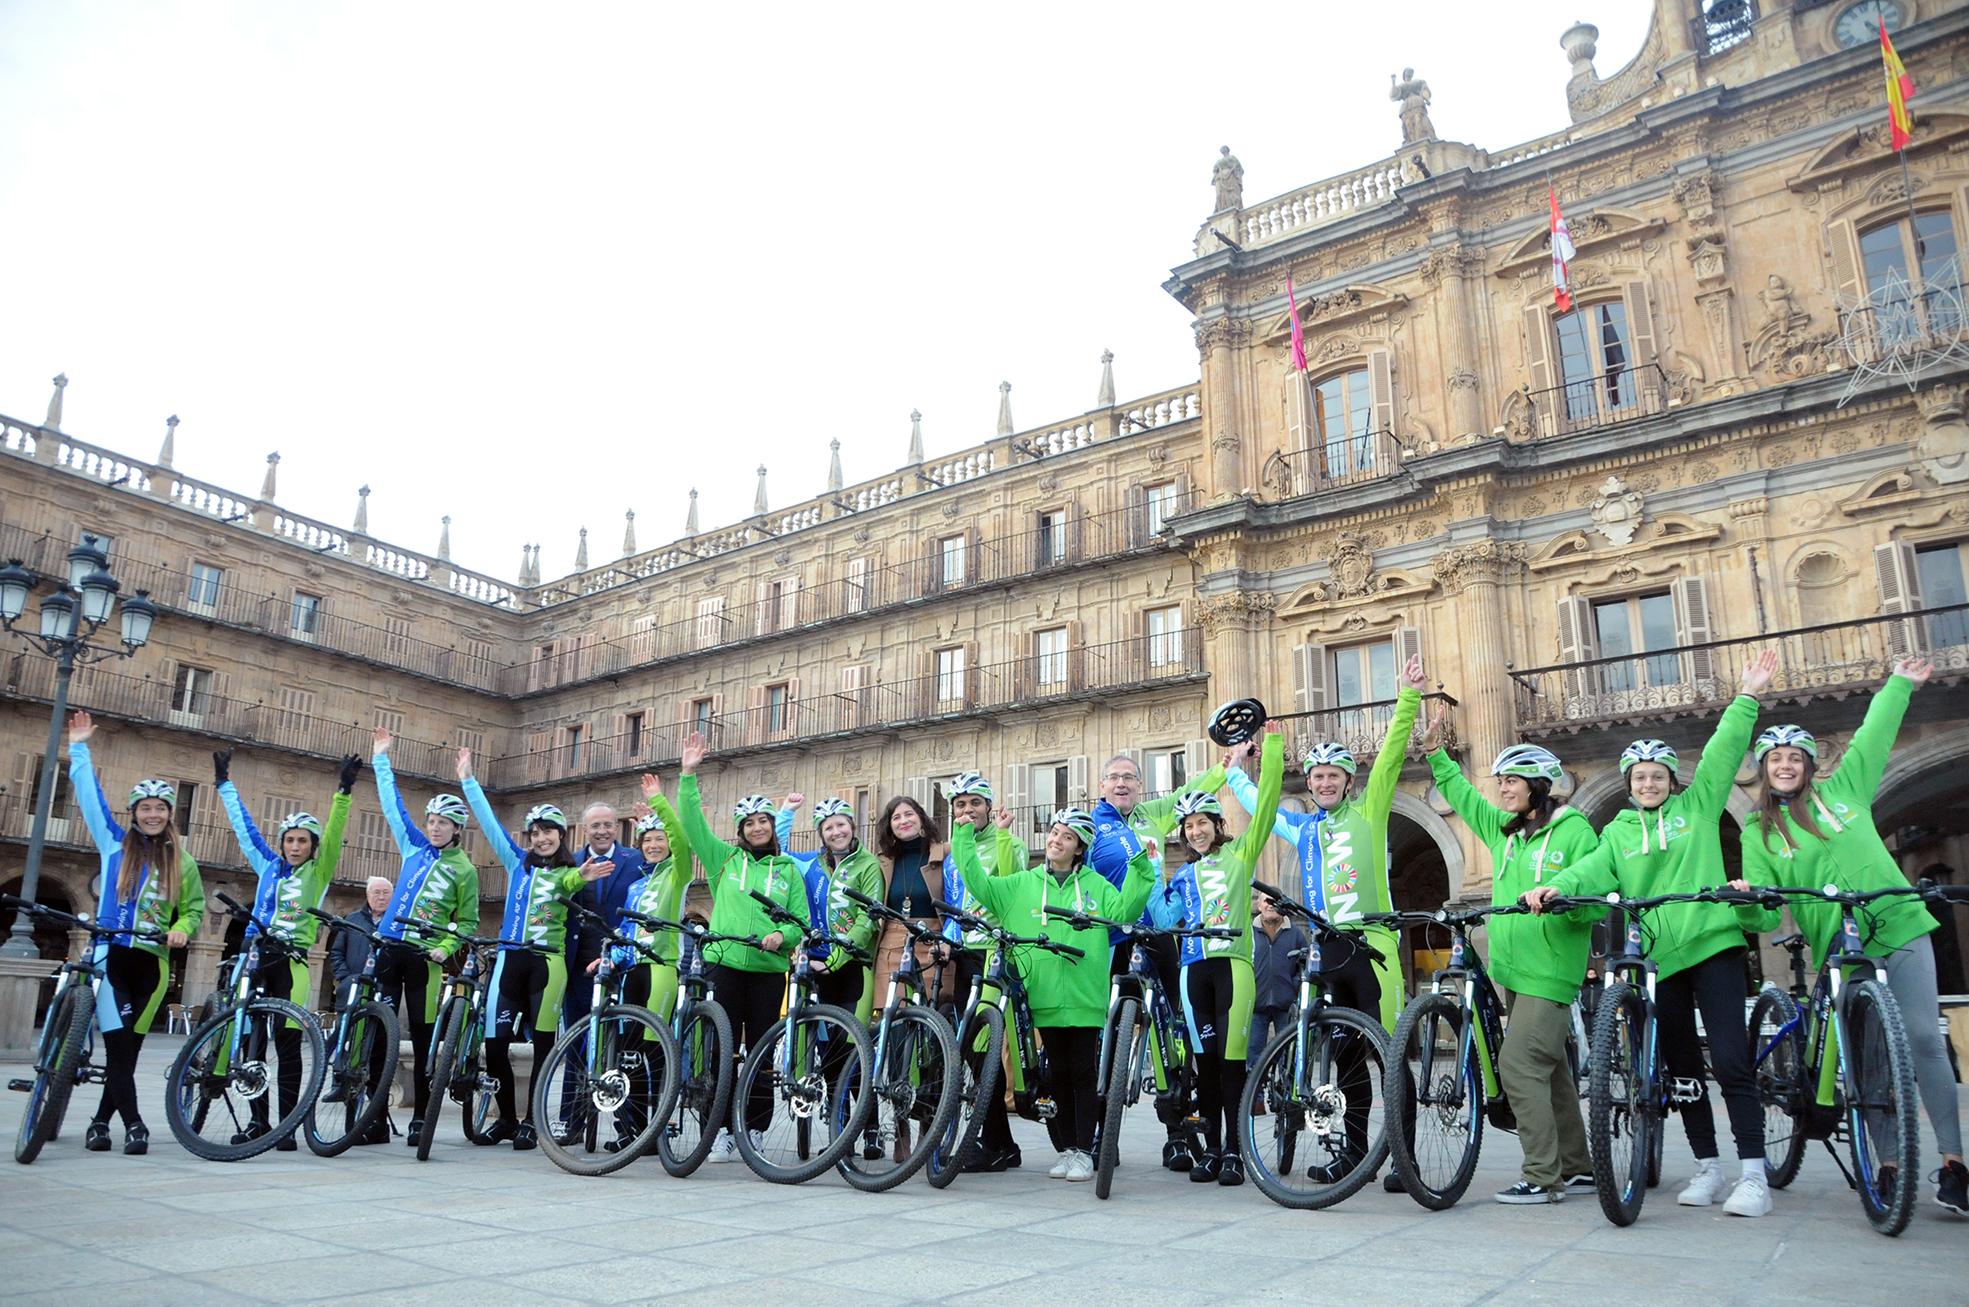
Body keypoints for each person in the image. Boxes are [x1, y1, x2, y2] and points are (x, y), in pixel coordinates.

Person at [1528, 649, 1778, 1218]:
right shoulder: (1616, 831)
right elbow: (1589, 869)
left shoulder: (1697, 805)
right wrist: (1555, 887)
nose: (1648, 783)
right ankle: (1709, 1167)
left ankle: (1754, 1175)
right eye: (1640, 777)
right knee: (1681, 1066)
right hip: (1660, 959)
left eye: (1657, 776)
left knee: (1733, 1063)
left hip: (1713, 944)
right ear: (1629, 783)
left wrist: (1747, 696)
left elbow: (1718, 755)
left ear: (1670, 780)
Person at [1731, 658, 1965, 1215]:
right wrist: (1747, 903)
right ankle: (1887, 1164)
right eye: (1775, 759)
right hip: (1841, 947)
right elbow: (1767, 914)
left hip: (1900, 924)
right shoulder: (1759, 833)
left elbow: (1874, 734)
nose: (1785, 765)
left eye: (1795, 757)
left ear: (1810, 766)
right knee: (1870, 1061)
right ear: (1764, 770)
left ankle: (1956, 1163)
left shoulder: (1847, 791)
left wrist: (1900, 683)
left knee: (1925, 1040)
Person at [1424, 725, 1601, 1204]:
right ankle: (1578, 1166)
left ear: (1537, 786)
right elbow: (1461, 795)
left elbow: (1592, 879)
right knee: (1550, 1069)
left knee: (1519, 1063)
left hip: (1550, 971)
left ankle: (1543, 1176)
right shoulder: (1505, 834)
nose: (1502, 788)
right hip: (1514, 970)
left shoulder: (1573, 829)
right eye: (1500, 781)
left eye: (1511, 781)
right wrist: (1436, 753)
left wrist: (1560, 888)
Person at [950, 807, 1157, 1182]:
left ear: (1079, 848)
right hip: (1040, 997)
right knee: (1054, 1074)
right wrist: (962, 837)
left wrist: (1142, 867)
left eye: (1066, 837)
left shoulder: (1097, 886)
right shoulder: (1021, 884)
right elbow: (979, 884)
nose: (1056, 840)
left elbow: (1125, 910)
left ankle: (1083, 1150)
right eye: (1054, 832)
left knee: (1082, 1071)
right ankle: (1065, 1149)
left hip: (1084, 996)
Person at [1146, 722, 1284, 1186]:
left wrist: (1271, 751)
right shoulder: (1182, 875)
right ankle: (1211, 1150)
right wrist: (1146, 868)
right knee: (1204, 1063)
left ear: (1218, 826)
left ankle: (1234, 1152)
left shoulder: (1240, 855)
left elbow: (1265, 808)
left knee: (1230, 1061)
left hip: (1234, 968)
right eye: (1188, 826)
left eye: (1203, 822)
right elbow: (1164, 922)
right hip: (1192, 972)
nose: (1196, 830)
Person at [457, 748, 611, 1149]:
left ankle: (532, 1121)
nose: (541, 838)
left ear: (561, 836)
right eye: (535, 833)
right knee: (495, 1042)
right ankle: (507, 1118)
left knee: (543, 1044)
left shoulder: (567, 872)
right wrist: (469, 782)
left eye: (549, 831)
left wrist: (583, 874)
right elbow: (490, 825)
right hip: (510, 958)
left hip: (548, 964)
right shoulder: (516, 864)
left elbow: (575, 881)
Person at [66, 711, 203, 1156]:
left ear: (169, 815)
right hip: (111, 956)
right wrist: (79, 749)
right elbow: (90, 800)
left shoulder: (183, 862)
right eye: (145, 808)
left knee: (131, 1050)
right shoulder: (113, 843)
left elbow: (194, 910)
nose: (152, 814)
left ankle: (100, 1124)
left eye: (160, 808)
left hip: (154, 964)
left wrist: (182, 929)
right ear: (135, 813)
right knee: (119, 1044)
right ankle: (136, 1125)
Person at [212, 746, 360, 1151]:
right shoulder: (268, 865)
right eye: (289, 840)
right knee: (254, 1043)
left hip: (292, 962)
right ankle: (258, 1123)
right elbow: (244, 829)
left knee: (288, 1045)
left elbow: (334, 830)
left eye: (302, 841)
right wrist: (224, 784)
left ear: (312, 846)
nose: (294, 846)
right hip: (257, 955)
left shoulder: (320, 868)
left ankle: (286, 1127)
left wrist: (343, 789)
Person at [675, 730, 812, 1163]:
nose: (757, 827)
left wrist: (783, 936)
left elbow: (802, 922)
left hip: (769, 970)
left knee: (761, 1055)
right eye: (749, 823)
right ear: (741, 831)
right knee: (720, 1050)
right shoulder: (723, 861)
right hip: (725, 964)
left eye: (763, 821)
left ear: (772, 827)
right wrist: (687, 775)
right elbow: (693, 824)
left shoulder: (789, 868)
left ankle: (752, 1128)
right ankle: (716, 1131)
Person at [1087, 749, 1228, 1170]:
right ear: (1102, 786)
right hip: (1109, 936)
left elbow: (1194, 790)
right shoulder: (1092, 826)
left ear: (1140, 784)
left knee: (1177, 1030)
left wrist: (1230, 763)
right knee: (1104, 1036)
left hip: (1158, 932)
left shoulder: (1153, 814)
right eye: (1114, 777)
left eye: (1130, 777)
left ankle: (1179, 1134)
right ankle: (1100, 1136)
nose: (1122, 784)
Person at [370, 725, 481, 1150]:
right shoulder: (413, 848)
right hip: (389, 946)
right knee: (378, 1032)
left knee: (420, 1035)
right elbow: (392, 806)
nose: (434, 828)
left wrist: (446, 948)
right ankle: (374, 1116)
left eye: (443, 823)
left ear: (457, 829)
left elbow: (467, 923)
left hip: (426, 956)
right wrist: (382, 758)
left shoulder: (465, 870)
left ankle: (419, 1116)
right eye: (431, 821)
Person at [937, 770, 1028, 1173]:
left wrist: (1005, 837)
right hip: (963, 954)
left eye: (975, 802)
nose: (968, 809)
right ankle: (999, 1143)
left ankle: (995, 1141)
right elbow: (956, 902)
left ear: (989, 806)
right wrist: (947, 938)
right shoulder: (956, 849)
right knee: (973, 1053)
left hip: (996, 952)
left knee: (983, 1048)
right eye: (960, 804)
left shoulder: (1011, 842)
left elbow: (1012, 888)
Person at [774, 792, 881, 1025]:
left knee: (845, 1044)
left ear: (852, 826)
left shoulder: (868, 863)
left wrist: (835, 960)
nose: (836, 832)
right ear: (821, 835)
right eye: (828, 828)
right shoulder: (808, 862)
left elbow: (868, 918)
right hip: (813, 961)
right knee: (815, 1044)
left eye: (841, 824)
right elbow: (777, 849)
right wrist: (787, 813)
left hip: (852, 963)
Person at [872, 795, 951, 1005]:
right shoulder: (882, 861)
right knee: (894, 1020)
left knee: (934, 1018)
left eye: (909, 814)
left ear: (921, 818)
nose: (903, 821)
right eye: (896, 817)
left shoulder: (945, 853)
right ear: (889, 826)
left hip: (934, 943)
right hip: (892, 946)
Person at [1248, 891, 1306, 1066]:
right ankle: (1255, 1094)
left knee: (1289, 1057)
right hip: (1255, 1005)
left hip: (1286, 1006)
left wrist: (1293, 986)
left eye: (1276, 901)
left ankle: (1285, 1092)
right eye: (1267, 901)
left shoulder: (1296, 934)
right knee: (1253, 1058)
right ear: (1258, 905)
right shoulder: (1248, 933)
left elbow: (1304, 965)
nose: (1271, 905)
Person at [329, 877, 395, 1007]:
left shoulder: (397, 923)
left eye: (386, 892)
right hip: (352, 984)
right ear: (368, 894)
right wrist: (345, 977)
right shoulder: (352, 919)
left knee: (381, 1025)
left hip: (385, 988)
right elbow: (337, 951)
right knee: (348, 1024)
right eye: (376, 892)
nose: (381, 897)